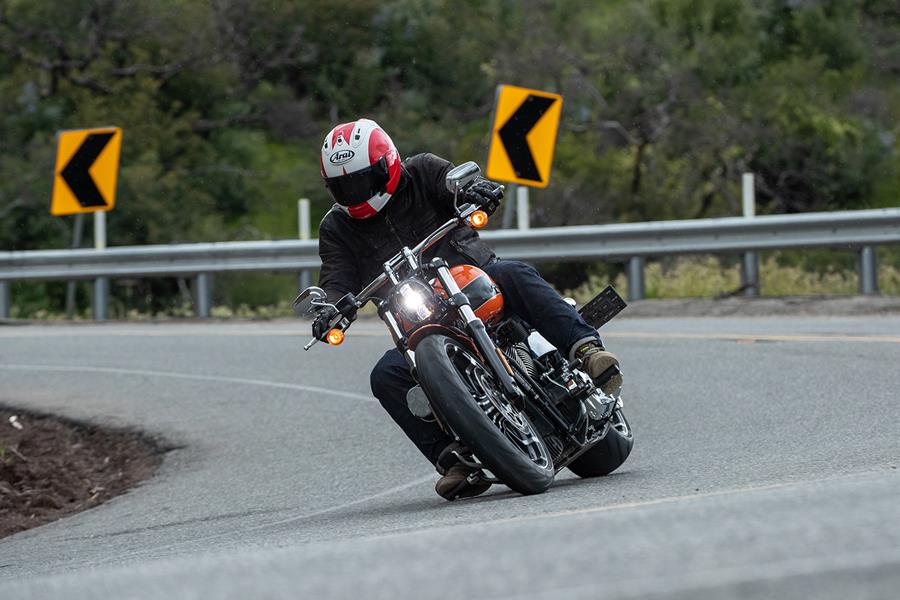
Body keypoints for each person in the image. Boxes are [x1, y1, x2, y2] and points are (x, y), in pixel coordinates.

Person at [313, 118, 622, 500]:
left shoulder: (422, 171)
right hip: (418, 319)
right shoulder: (336, 228)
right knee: (386, 375)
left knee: (514, 273)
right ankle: (454, 458)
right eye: (345, 185)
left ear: (387, 165)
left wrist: (475, 189)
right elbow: (336, 280)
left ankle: (587, 350)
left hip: (474, 279)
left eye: (362, 180)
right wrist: (329, 308)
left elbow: (453, 183)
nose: (356, 192)